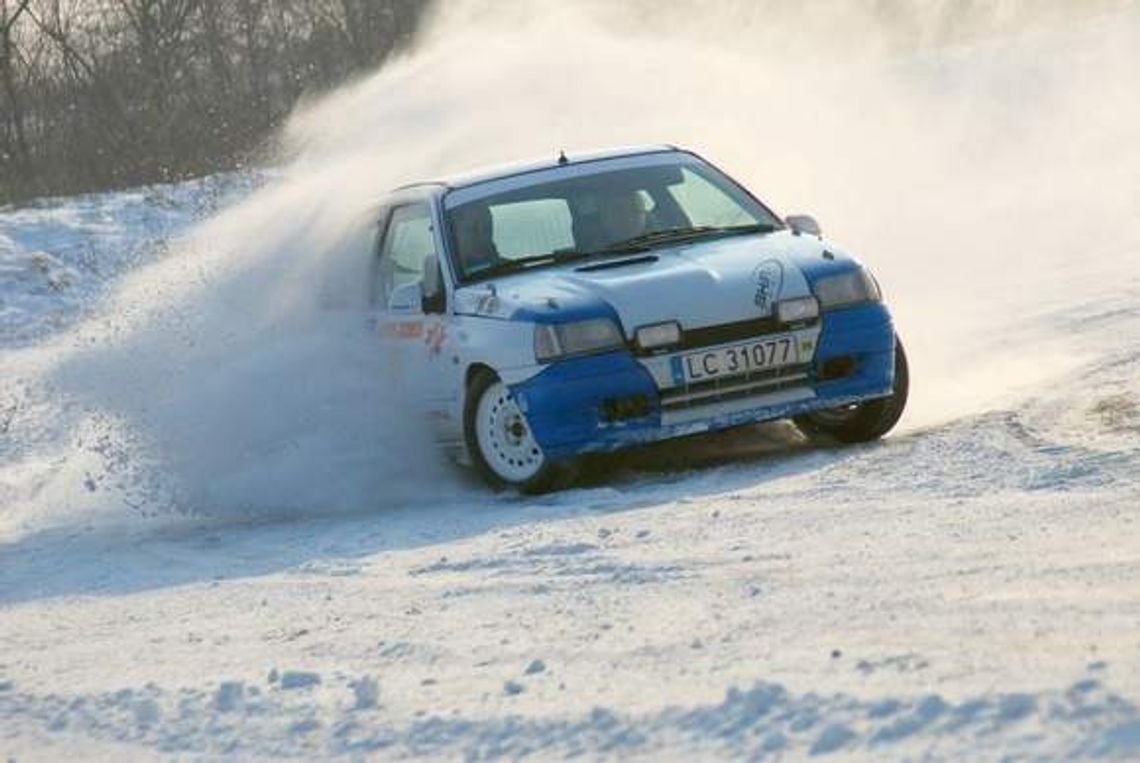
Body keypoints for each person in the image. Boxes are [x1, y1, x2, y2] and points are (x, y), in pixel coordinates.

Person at [451, 204, 498, 274]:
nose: (480, 234)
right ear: (455, 233)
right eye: (473, 228)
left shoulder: (511, 269)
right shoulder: (444, 277)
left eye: (486, 227)